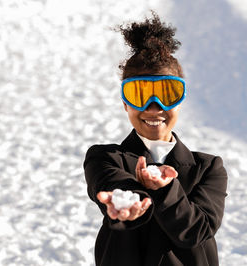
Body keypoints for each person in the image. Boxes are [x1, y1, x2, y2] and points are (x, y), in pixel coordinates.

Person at [84, 13, 228, 266]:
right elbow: (114, 182)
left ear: (180, 102)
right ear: (125, 104)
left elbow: (196, 231)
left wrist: (165, 189)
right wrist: (127, 201)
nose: (153, 108)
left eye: (167, 94)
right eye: (139, 95)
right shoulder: (105, 158)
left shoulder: (207, 168)